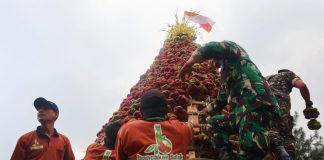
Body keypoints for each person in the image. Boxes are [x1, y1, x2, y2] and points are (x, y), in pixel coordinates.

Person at [178, 40, 291, 160]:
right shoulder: (226, 76)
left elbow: (212, 47)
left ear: (215, 55)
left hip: (256, 105)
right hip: (239, 115)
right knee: (212, 123)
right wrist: (202, 113)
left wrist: (189, 64)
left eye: (210, 60)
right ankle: (226, 156)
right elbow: (219, 102)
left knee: (250, 150)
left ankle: (274, 146)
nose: (209, 64)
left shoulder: (235, 54)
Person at [115, 89, 193, 160]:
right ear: (166, 109)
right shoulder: (184, 128)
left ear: (141, 111)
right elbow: (191, 130)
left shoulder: (126, 130)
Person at [266, 69, 313, 159]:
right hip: (278, 109)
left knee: (268, 141)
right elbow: (302, 86)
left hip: (259, 112)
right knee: (287, 143)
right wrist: (308, 104)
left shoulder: (264, 79)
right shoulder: (288, 74)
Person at [11, 97, 75, 160]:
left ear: (56, 114)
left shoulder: (64, 141)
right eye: (39, 109)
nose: (40, 111)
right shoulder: (25, 139)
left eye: (46, 108)